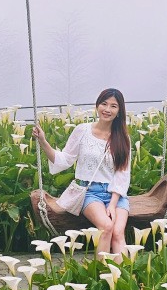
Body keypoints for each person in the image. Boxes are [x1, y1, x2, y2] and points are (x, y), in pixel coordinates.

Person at [32, 88, 131, 254]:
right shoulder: (82, 130)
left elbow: (122, 173)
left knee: (118, 233)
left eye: (113, 106)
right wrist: (43, 141)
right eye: (104, 104)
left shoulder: (122, 137)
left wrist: (113, 205)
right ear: (97, 105)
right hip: (90, 192)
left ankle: (123, 277)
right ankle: (102, 276)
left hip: (116, 195)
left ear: (119, 111)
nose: (107, 109)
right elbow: (64, 159)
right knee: (106, 227)